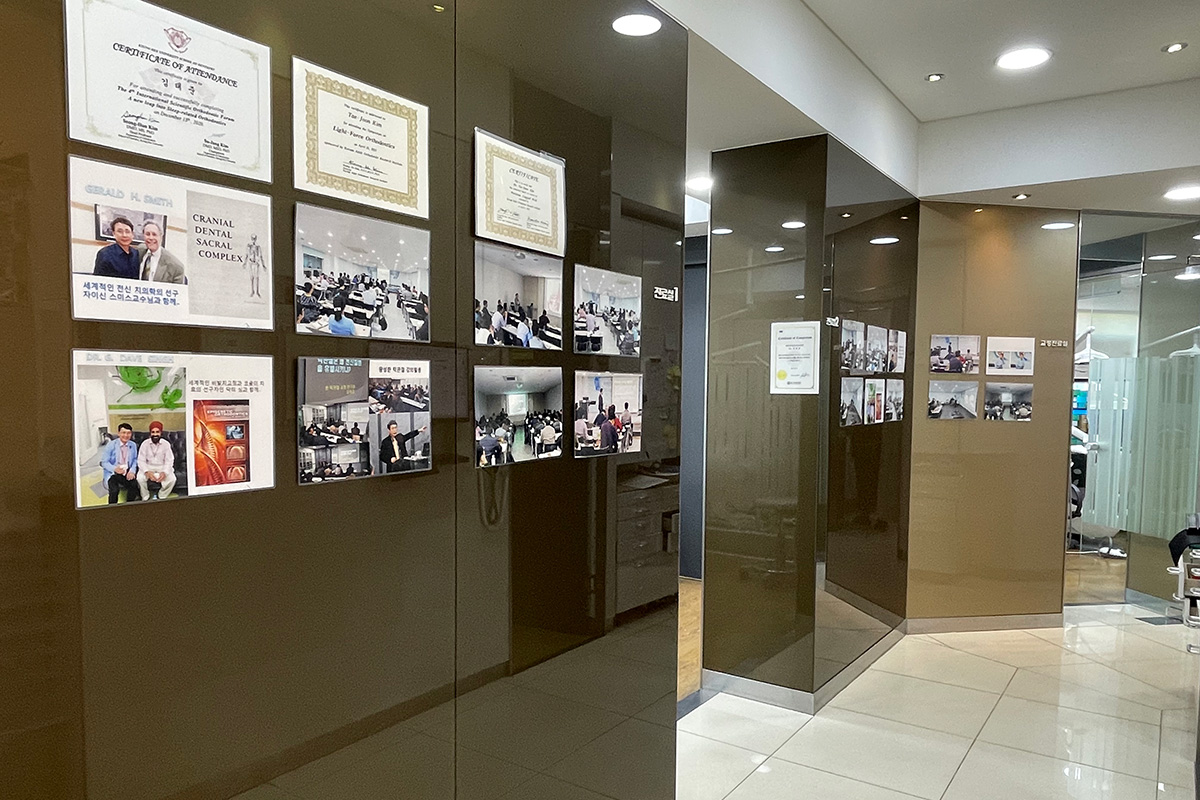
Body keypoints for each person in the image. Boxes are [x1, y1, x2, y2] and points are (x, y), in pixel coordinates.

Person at [135, 420, 176, 500]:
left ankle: (162, 495)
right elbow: (141, 460)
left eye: (157, 432)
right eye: (153, 432)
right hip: (148, 467)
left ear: (161, 433)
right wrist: (147, 471)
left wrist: (164, 472)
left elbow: (169, 460)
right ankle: (145, 496)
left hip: (162, 467)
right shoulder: (145, 444)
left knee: (172, 479)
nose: (155, 434)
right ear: (150, 433)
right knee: (140, 478)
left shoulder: (166, 444)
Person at [100, 423, 139, 504]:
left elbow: (135, 460)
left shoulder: (133, 445)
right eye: (123, 433)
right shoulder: (111, 445)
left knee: (134, 485)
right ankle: (112, 508)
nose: (126, 435)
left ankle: (129, 505)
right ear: (119, 433)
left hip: (126, 472)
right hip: (113, 472)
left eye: (128, 433)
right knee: (114, 490)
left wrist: (132, 471)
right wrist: (115, 469)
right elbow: (104, 462)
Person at [245, 232, 266, 298]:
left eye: (254, 238)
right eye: (252, 238)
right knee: (252, 277)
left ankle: (257, 291)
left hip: (256, 264)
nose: (253, 240)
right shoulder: (249, 246)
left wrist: (263, 265)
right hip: (251, 263)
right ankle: (252, 291)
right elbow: (247, 255)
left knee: (257, 277)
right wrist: (245, 263)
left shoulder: (258, 247)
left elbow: (261, 256)